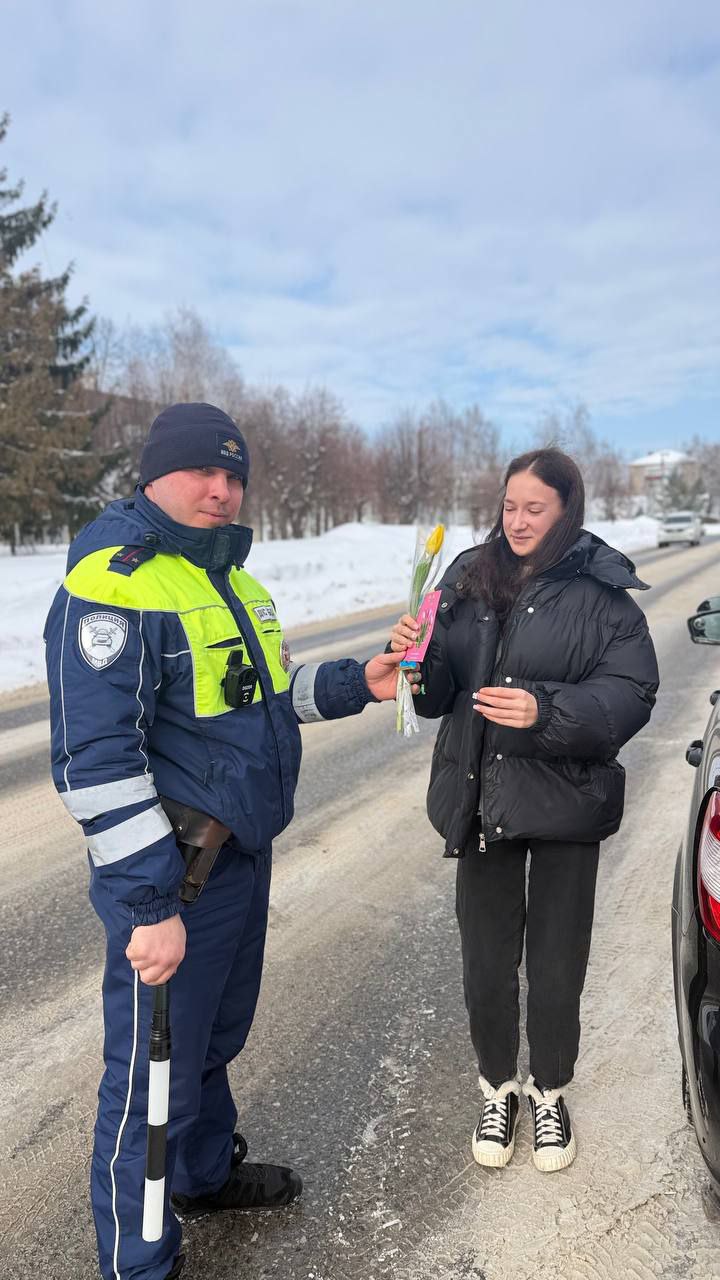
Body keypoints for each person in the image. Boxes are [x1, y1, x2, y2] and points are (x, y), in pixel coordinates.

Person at [44, 402, 403, 1280]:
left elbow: (266, 697)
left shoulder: (230, 581)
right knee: (146, 1077)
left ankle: (201, 1176)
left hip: (239, 858)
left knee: (211, 1041)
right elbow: (95, 761)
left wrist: (358, 682)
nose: (221, 490)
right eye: (203, 471)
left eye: (234, 475)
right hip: (174, 877)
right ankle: (138, 1261)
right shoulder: (116, 582)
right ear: (153, 475)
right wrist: (148, 903)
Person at [390, 448, 658, 1173]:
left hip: (566, 800)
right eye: (510, 506)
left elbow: (631, 694)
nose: (517, 521)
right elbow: (436, 693)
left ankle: (550, 1092)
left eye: (534, 509)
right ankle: (497, 1087)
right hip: (482, 796)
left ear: (567, 510)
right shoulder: (467, 578)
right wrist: (415, 657)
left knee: (556, 963)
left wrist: (547, 710)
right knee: (485, 961)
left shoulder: (604, 594)